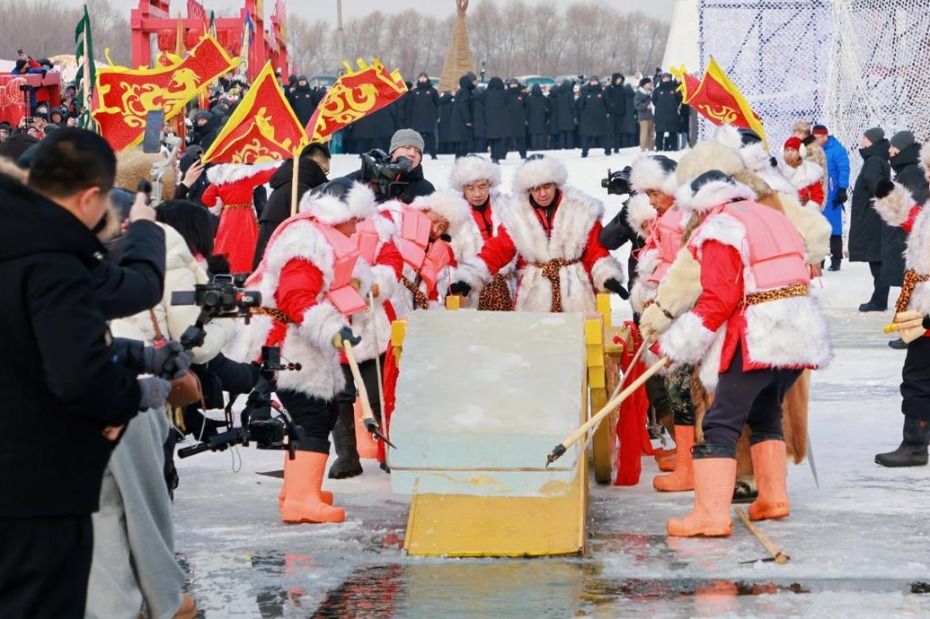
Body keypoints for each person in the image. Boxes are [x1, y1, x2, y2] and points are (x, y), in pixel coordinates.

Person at [0, 128, 172, 618]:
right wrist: (126, 398)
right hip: (34, 486)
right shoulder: (52, 255)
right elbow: (77, 373)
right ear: (90, 196)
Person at [653, 170, 830, 537]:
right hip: (799, 332)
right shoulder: (770, 215)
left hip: (759, 333)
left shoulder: (721, 227)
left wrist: (680, 344)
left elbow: (719, 298)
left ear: (701, 205)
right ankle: (773, 498)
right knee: (766, 410)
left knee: (720, 421)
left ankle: (711, 516)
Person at [233, 181, 378, 524]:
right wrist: (332, 328)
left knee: (319, 414)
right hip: (285, 343)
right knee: (311, 415)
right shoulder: (307, 242)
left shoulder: (324, 237)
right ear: (340, 215)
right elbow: (295, 297)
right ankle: (300, 500)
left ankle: (298, 490)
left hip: (300, 342)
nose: (357, 228)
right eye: (355, 220)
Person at [451, 156, 627, 312]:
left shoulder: (581, 210)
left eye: (546, 186)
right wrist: (470, 276)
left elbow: (596, 250)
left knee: (577, 336)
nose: (542, 194)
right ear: (528, 189)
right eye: (535, 189)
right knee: (534, 336)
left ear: (555, 184)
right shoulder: (518, 215)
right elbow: (498, 249)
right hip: (535, 293)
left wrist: (606, 274)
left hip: (575, 292)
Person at [872, 144, 930, 466]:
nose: (928, 175)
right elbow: (913, 221)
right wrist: (892, 199)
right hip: (921, 300)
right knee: (917, 373)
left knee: (918, 376)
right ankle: (915, 443)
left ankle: (915, 446)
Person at [877, 131, 930, 350]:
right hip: (921, 293)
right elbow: (917, 219)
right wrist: (894, 201)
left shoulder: (911, 174)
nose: (927, 176)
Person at [441, 155, 515, 310]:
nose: (477, 194)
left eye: (482, 186)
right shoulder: (453, 217)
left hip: (508, 289)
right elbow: (448, 262)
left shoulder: (508, 208)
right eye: (470, 188)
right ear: (462, 188)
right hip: (469, 292)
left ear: (490, 184)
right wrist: (455, 286)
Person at [253, 143, 331, 269]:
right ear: (315, 165)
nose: (324, 177)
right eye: (325, 171)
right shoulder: (299, 189)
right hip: (276, 267)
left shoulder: (291, 182)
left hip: (271, 261)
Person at [849, 127, 896, 312]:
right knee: (877, 259)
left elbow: (875, 184)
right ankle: (879, 299)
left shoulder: (874, 160)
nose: (862, 141)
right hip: (874, 215)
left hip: (871, 217)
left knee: (876, 259)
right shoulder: (878, 158)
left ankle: (879, 300)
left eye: (865, 138)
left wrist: (884, 198)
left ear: (872, 141)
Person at [201, 162, 279, 273]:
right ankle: (247, 271)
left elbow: (206, 197)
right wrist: (282, 165)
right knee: (246, 245)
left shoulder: (220, 179)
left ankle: (225, 270)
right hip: (245, 215)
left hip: (227, 216)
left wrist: (219, 209)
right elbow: (267, 174)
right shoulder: (246, 176)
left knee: (227, 244)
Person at [811, 124, 850, 271]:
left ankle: (836, 259)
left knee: (834, 228)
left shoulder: (837, 150)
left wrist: (842, 189)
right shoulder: (812, 150)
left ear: (825, 136)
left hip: (833, 194)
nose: (816, 140)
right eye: (814, 137)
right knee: (818, 229)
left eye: (818, 137)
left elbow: (844, 169)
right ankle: (819, 260)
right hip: (817, 194)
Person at [780, 136, 824, 207]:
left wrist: (808, 206)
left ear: (800, 152)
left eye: (793, 150)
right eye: (787, 150)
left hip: (803, 211)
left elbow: (818, 196)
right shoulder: (778, 170)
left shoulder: (811, 172)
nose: (789, 153)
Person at [405, 72, 440, 160]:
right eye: (421, 77)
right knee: (417, 137)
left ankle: (433, 154)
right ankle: (417, 154)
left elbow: (437, 105)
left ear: (427, 79)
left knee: (431, 137)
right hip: (417, 119)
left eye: (424, 77)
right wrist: (409, 118)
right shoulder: (414, 92)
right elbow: (410, 106)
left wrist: (437, 116)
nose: (422, 79)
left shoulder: (433, 91)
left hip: (429, 118)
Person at [577, 76, 610, 158]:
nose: (594, 82)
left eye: (595, 81)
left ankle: (607, 150)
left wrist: (607, 113)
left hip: (601, 118)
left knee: (603, 135)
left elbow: (608, 104)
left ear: (598, 82)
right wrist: (584, 113)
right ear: (590, 82)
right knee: (587, 137)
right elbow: (581, 105)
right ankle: (584, 152)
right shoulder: (585, 92)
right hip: (589, 119)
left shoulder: (602, 92)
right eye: (592, 81)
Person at [482, 78, 510, 163]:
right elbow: (508, 103)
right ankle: (496, 157)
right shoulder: (504, 93)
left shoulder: (486, 93)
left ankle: (493, 155)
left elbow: (482, 103)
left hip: (488, 119)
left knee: (491, 139)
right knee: (499, 140)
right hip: (501, 119)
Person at [450, 72, 478, 158]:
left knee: (459, 143)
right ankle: (461, 159)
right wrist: (468, 120)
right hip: (462, 121)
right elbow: (464, 106)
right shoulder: (466, 92)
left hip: (458, 120)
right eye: (474, 81)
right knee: (464, 142)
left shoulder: (461, 91)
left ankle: (458, 158)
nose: (476, 83)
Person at [652, 73, 681, 152]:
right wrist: (660, 106)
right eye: (664, 78)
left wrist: (673, 105)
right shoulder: (657, 90)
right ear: (662, 79)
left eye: (667, 78)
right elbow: (654, 100)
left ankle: (674, 147)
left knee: (673, 130)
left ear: (670, 78)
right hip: (660, 114)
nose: (666, 79)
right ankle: (659, 147)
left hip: (672, 113)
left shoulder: (674, 88)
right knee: (659, 131)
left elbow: (678, 99)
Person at [506, 79, 529, 160]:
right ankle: (502, 155)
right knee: (506, 139)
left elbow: (527, 107)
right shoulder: (506, 94)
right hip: (508, 120)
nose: (513, 85)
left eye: (515, 84)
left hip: (519, 120)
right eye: (512, 84)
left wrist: (524, 116)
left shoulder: (522, 95)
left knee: (520, 139)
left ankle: (523, 154)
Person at [606, 73, 627, 154]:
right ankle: (608, 148)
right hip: (611, 113)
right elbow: (606, 100)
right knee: (610, 131)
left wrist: (624, 111)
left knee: (618, 131)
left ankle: (616, 148)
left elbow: (624, 101)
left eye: (621, 79)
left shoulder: (622, 89)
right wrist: (608, 110)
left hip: (620, 113)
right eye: (618, 79)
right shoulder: (609, 88)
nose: (619, 81)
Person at [526, 84, 550, 151]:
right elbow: (547, 109)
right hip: (541, 118)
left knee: (533, 134)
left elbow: (527, 109)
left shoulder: (529, 98)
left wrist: (526, 118)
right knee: (541, 134)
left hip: (532, 119)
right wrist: (546, 118)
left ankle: (534, 148)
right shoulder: (544, 98)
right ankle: (540, 147)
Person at [634, 77, 655, 151]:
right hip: (643, 116)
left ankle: (651, 147)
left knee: (651, 133)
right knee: (644, 133)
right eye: (648, 83)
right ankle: (643, 147)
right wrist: (646, 106)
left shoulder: (651, 92)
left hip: (651, 116)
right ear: (644, 85)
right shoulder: (639, 93)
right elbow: (637, 105)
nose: (650, 85)